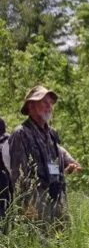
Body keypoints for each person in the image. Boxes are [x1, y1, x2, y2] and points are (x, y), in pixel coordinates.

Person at [9, 86, 67, 227]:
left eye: (50, 103)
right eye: (44, 102)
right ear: (31, 105)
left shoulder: (51, 133)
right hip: (36, 204)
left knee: (63, 244)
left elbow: (55, 164)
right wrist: (29, 208)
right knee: (40, 246)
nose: (49, 106)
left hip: (57, 197)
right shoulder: (21, 134)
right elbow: (19, 177)